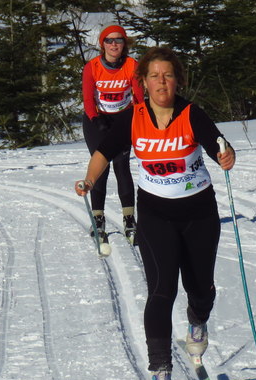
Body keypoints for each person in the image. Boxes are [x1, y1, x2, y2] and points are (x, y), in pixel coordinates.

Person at [74, 47, 236, 380]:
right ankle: (160, 369)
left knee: (201, 290)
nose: (162, 82)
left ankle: (198, 321)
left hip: (199, 213)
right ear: (143, 83)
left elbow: (219, 146)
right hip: (155, 214)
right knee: (162, 291)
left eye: (168, 75)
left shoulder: (192, 114)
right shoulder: (133, 117)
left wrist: (226, 156)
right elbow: (103, 152)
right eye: (154, 76)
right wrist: (89, 180)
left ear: (178, 80)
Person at [81, 23, 144, 244]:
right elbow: (88, 98)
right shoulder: (92, 67)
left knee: (121, 165)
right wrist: (96, 119)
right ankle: (98, 219)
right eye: (109, 40)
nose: (114, 44)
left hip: (123, 119)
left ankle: (129, 219)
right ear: (103, 44)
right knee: (101, 167)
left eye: (119, 40)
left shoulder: (132, 65)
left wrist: (138, 118)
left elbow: (139, 96)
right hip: (97, 120)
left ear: (124, 44)